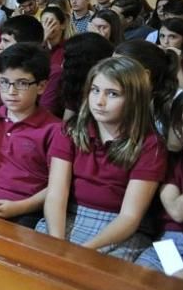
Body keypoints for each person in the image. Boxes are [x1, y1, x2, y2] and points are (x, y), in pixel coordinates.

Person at [37, 56, 166, 261]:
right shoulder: (71, 131)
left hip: (116, 228)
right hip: (67, 216)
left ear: (134, 98)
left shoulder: (149, 144)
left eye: (112, 94)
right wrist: (57, 242)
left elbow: (129, 217)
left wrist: (83, 250)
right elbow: (56, 195)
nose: (99, 101)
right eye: (95, 90)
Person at [0, 44, 63, 228]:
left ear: (41, 86)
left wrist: (20, 207)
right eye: (4, 82)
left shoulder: (54, 129)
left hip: (28, 209)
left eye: (22, 83)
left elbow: (57, 187)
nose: (11, 91)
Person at [135, 89, 183, 275]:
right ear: (178, 129)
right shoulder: (173, 162)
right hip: (172, 242)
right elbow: (177, 211)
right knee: (140, 277)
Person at [158, 17, 183, 85]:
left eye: (172, 37)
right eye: (162, 36)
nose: (165, 41)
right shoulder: (157, 55)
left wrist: (178, 64)